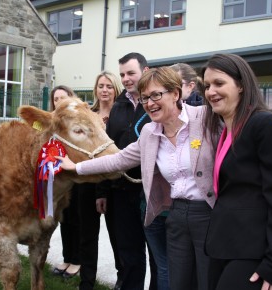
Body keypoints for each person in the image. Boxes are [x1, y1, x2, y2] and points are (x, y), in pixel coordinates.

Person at [57, 66, 218, 290]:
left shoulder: (205, 118)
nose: (150, 103)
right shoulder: (150, 133)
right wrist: (76, 167)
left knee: (209, 278)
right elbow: (118, 160)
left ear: (176, 93)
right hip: (177, 215)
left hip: (209, 213)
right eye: (144, 98)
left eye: (156, 95)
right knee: (178, 280)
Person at [201, 53, 272, 290]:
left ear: (242, 85)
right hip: (224, 245)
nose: (210, 91)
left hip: (253, 251)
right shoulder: (227, 131)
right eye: (206, 86)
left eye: (219, 83)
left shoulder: (266, 124)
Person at [104, 52, 152, 290]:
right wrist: (101, 192)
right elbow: (106, 152)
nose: (125, 79)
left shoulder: (156, 101)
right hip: (121, 190)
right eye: (122, 74)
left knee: (157, 253)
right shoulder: (117, 107)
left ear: (145, 71)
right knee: (129, 251)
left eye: (130, 73)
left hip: (152, 191)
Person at [78, 71, 123, 290]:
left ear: (116, 89)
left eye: (109, 86)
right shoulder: (88, 114)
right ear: (95, 89)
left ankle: (122, 278)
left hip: (114, 182)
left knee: (118, 235)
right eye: (100, 86)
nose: (104, 90)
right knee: (87, 235)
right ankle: (86, 281)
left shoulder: (122, 113)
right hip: (88, 181)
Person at [50, 85, 82, 278]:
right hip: (58, 179)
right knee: (64, 219)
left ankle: (77, 260)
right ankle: (67, 257)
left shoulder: (78, 121)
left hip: (76, 177)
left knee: (77, 219)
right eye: (56, 99)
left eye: (63, 98)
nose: (59, 102)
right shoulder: (50, 122)